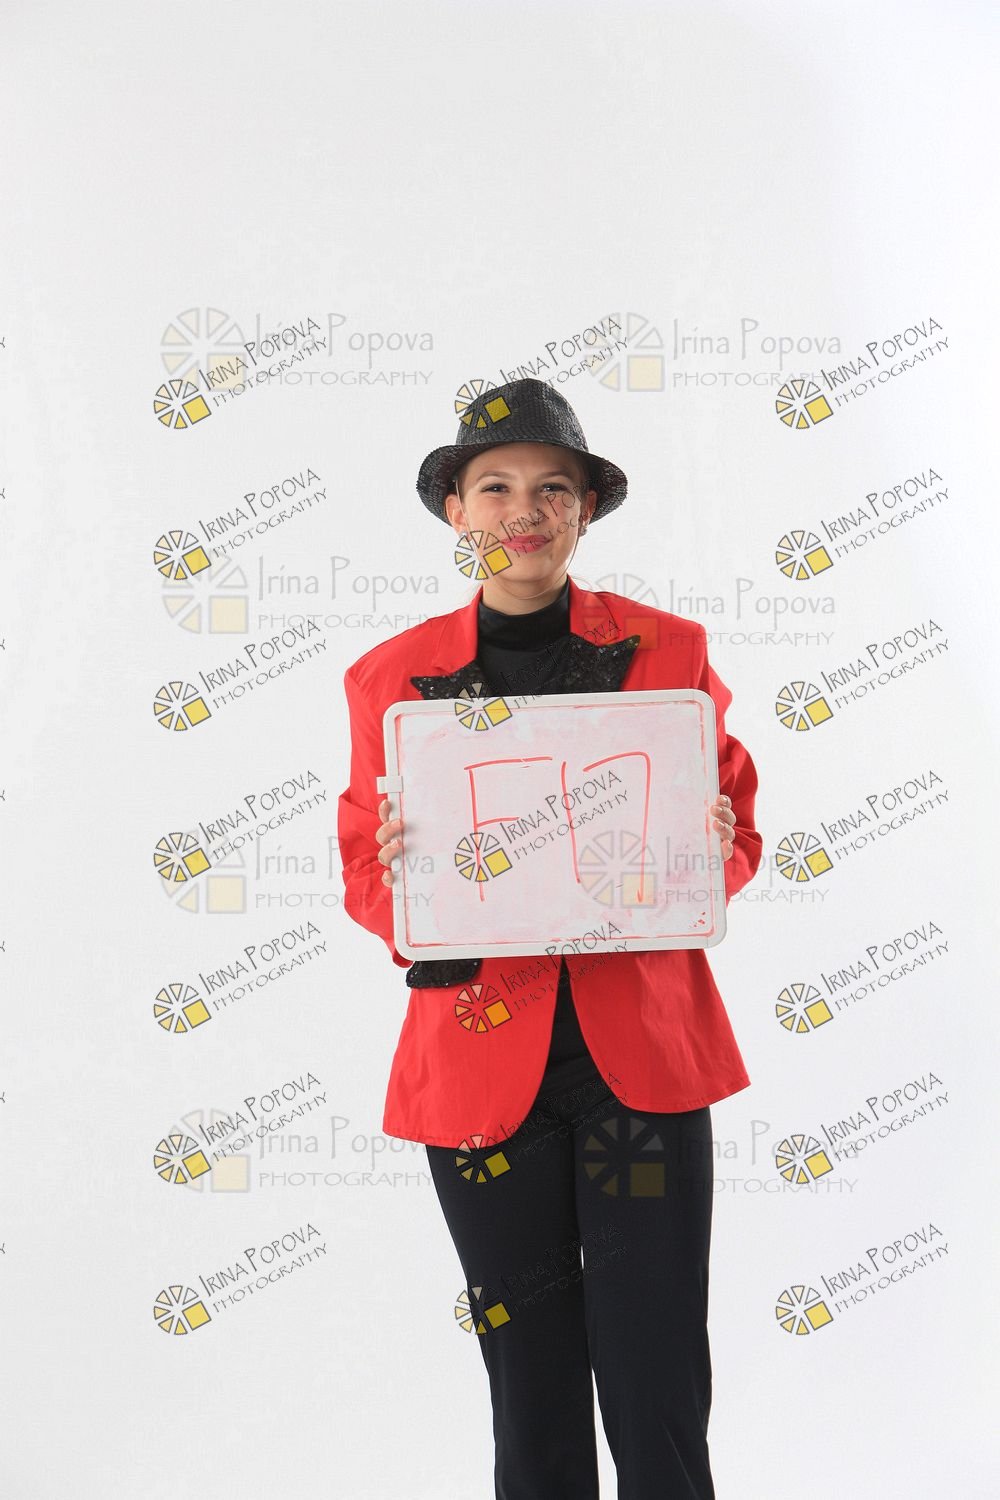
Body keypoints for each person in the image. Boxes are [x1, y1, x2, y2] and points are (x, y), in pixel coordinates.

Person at [337, 377, 763, 1500]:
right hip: (480, 1059)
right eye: (496, 488)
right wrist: (404, 885)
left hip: (641, 1065)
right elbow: (362, 875)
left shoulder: (670, 649)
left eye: (553, 490)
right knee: (527, 1377)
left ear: (585, 511)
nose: (523, 512)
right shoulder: (387, 678)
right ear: (456, 511)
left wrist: (708, 849)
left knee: (654, 1367)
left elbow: (735, 833)